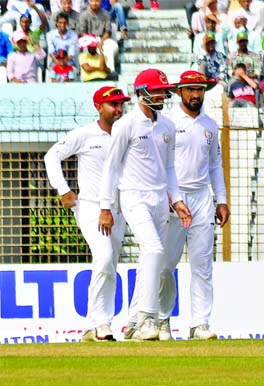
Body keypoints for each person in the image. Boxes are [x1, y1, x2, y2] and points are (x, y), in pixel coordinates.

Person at [98, 68, 192, 341]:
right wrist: (106, 207)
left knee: (154, 260)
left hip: (160, 198)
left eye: (164, 91)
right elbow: (111, 168)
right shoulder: (126, 125)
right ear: (142, 93)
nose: (163, 95)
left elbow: (171, 168)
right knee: (153, 249)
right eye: (157, 91)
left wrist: (178, 200)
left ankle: (131, 323)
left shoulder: (168, 126)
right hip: (133, 195)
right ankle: (147, 320)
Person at [44, 86, 131, 342]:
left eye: (120, 104)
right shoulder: (85, 134)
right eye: (112, 104)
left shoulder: (125, 134)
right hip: (92, 207)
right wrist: (63, 190)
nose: (118, 109)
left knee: (109, 265)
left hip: (119, 207)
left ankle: (93, 326)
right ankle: (101, 323)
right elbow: (52, 156)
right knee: (104, 258)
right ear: (98, 107)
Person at [158, 70, 230, 341]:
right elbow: (162, 165)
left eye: (200, 89)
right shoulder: (167, 123)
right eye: (190, 89)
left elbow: (215, 165)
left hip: (201, 198)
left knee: (202, 264)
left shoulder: (210, 125)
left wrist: (221, 200)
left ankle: (199, 323)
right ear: (179, 92)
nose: (196, 94)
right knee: (166, 264)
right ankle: (162, 320)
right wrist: (170, 196)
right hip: (174, 200)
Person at [77, 0, 119, 75]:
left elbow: (108, 31)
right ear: (89, 1)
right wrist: (92, 41)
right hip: (88, 40)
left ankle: (111, 73)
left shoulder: (105, 14)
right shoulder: (84, 14)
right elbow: (82, 32)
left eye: (97, 1)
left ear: (100, 2)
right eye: (92, 1)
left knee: (108, 49)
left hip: (104, 39)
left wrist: (101, 41)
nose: (94, 3)